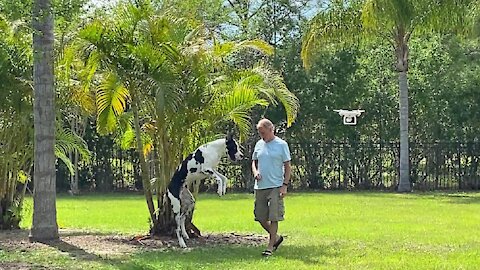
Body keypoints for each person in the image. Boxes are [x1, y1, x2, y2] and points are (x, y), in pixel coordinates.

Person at [251, 118, 291, 256]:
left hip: (276, 186)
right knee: (260, 217)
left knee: (274, 216)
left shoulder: (281, 145)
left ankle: (270, 247)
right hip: (260, 186)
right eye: (259, 133)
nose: (262, 135)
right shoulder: (258, 144)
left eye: (263, 132)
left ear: (271, 129)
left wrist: (284, 185)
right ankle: (277, 238)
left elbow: (287, 166)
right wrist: (255, 172)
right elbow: (254, 162)